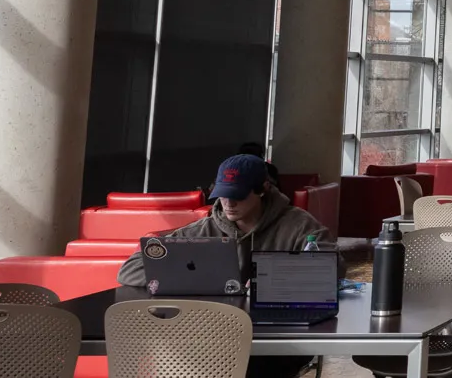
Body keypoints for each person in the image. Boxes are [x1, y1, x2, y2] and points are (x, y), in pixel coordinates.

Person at [118, 155, 326, 378]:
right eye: (223, 194)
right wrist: (202, 279)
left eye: (237, 195)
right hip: (213, 337)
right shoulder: (202, 230)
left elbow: (329, 266)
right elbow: (129, 269)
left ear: (263, 189)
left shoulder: (299, 225)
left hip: (279, 339)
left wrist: (271, 278)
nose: (229, 202)